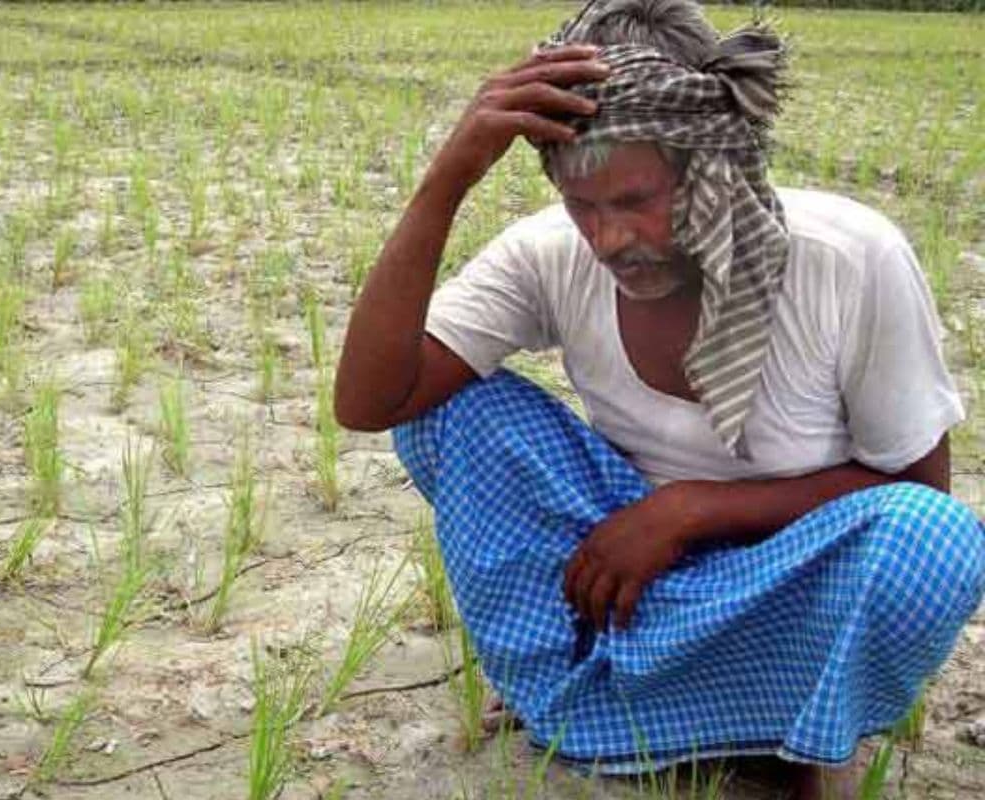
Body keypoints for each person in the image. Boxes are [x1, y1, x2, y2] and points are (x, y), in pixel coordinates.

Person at [333, 0, 985, 797]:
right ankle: (609, 697)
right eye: (584, 207)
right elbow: (371, 399)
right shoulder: (547, 256)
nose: (609, 240)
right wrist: (449, 177)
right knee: (446, 412)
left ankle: (789, 737)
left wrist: (689, 511)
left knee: (932, 540)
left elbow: (918, 494)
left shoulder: (846, 260)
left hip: (785, 580)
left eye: (636, 200)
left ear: (713, 167)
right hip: (625, 579)